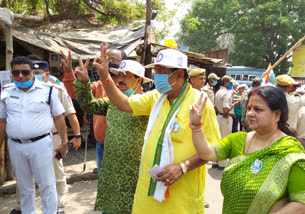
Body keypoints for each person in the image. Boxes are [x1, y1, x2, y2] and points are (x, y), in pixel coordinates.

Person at [93, 47, 220, 213]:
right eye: (155, 71)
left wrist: (183, 167)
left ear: (179, 74)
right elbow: (124, 103)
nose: (156, 76)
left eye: (161, 71)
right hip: (148, 194)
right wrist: (105, 77)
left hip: (181, 198)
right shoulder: (155, 97)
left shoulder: (201, 103)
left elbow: (215, 149)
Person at [189, 86, 305, 214]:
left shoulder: (289, 151)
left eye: (258, 109)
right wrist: (196, 125)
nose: (250, 113)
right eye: (249, 108)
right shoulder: (238, 140)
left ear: (276, 115)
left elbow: (303, 203)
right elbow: (206, 152)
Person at [73, 55, 150, 213]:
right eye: (118, 75)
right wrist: (83, 83)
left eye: (125, 76)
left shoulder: (147, 102)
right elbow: (88, 104)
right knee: (110, 206)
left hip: (135, 171)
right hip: (112, 168)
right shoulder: (111, 101)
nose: (119, 80)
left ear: (139, 80)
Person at [0, 56, 71, 214]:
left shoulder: (49, 90)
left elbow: (59, 117)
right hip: (15, 145)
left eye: (25, 72)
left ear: (32, 72)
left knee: (47, 184)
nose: (20, 76)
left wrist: (65, 142)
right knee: (24, 186)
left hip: (41, 145)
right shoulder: (5, 92)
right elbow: (2, 122)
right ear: (12, 73)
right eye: (16, 72)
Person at [60, 49, 125, 174]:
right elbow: (76, 94)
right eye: (106, 59)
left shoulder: (127, 87)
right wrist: (69, 73)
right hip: (100, 145)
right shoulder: (99, 85)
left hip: (119, 147)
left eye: (113, 60)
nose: (108, 62)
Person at [32, 60, 81, 213]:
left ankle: (60, 199)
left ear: (46, 74)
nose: (33, 76)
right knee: (28, 172)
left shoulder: (57, 89)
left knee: (55, 168)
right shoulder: (23, 90)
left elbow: (71, 114)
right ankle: (23, 204)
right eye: (31, 73)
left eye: (37, 74)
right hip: (29, 139)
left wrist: (77, 135)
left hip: (52, 136)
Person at [214, 75, 239, 169]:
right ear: (226, 83)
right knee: (224, 140)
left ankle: (215, 161)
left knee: (218, 139)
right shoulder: (227, 93)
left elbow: (215, 107)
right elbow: (226, 109)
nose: (231, 84)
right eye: (230, 83)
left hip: (219, 117)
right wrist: (234, 105)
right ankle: (223, 163)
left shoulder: (218, 92)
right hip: (225, 118)